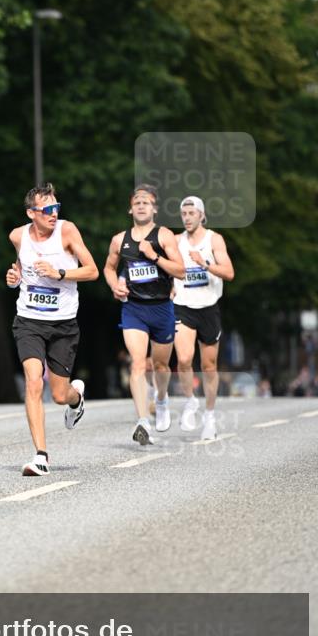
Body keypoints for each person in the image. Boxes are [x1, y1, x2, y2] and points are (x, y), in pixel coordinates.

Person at [6, 182, 98, 476]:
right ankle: (41, 456)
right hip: (28, 320)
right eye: (47, 210)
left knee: (60, 395)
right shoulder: (17, 236)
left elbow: (92, 270)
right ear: (31, 213)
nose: (53, 214)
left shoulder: (67, 232)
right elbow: (21, 269)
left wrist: (60, 273)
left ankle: (76, 399)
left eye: (56, 208)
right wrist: (14, 278)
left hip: (63, 323)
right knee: (34, 382)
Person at [104, 184, 185, 446]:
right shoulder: (119, 239)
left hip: (162, 308)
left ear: (154, 209)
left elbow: (181, 271)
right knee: (138, 364)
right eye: (137, 202)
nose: (141, 205)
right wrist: (114, 284)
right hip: (134, 308)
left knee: (161, 365)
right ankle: (142, 420)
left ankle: (161, 399)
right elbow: (108, 267)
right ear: (130, 208)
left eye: (146, 202)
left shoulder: (164, 236)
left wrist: (154, 257)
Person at [173, 196, 235, 440]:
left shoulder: (214, 239)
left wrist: (205, 263)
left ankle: (210, 415)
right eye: (184, 213)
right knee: (185, 359)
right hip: (182, 306)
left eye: (191, 213)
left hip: (209, 307)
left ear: (201, 215)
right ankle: (190, 401)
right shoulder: (176, 241)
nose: (187, 217)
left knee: (209, 367)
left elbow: (229, 273)